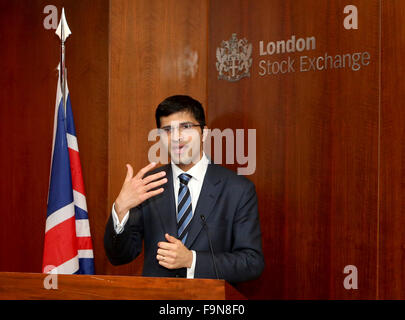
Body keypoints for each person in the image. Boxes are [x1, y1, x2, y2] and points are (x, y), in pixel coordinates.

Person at [104, 95, 264, 283]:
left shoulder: (238, 189)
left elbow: (252, 263)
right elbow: (119, 257)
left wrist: (192, 261)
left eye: (186, 127)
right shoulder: (148, 185)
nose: (177, 137)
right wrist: (120, 209)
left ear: (204, 133)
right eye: (167, 130)